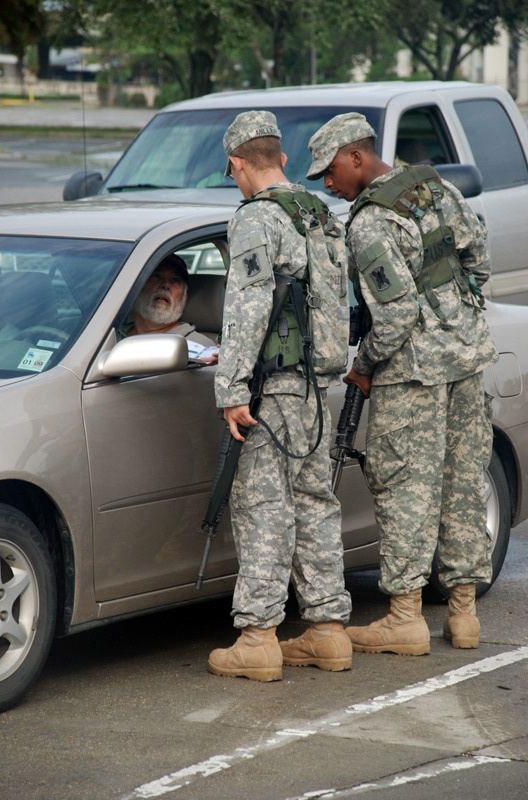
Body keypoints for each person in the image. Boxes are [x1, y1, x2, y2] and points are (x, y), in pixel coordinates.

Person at [306, 112, 499, 656]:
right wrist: (450, 318)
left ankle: (406, 618)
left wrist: (362, 364)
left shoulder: (369, 222)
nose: (327, 184)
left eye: (329, 171)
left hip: (411, 375)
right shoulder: (433, 188)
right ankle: (463, 616)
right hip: (465, 359)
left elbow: (391, 317)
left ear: (356, 157)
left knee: (405, 488)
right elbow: (477, 260)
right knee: (462, 483)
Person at [208, 110, 352, 682]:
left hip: (273, 386)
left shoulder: (255, 220)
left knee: (263, 505)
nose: (235, 180)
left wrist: (232, 388)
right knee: (316, 502)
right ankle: (327, 632)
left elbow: (247, 308)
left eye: (232, 172)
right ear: (284, 158)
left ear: (239, 164)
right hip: (318, 386)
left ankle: (259, 636)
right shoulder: (320, 212)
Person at [120, 254, 218, 362]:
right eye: (156, 276)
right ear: (135, 289)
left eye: (175, 280)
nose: (165, 285)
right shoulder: (109, 337)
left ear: (184, 298)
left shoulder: (199, 348)